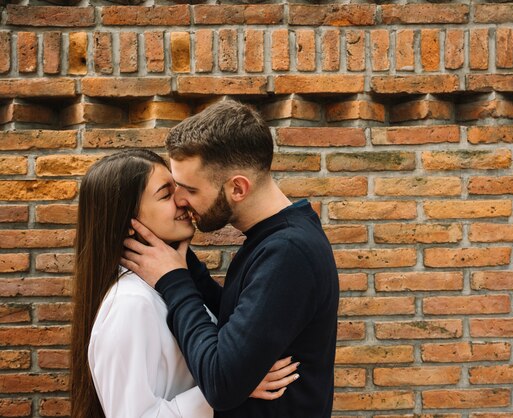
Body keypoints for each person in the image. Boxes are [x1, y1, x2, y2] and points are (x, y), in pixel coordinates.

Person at [121, 100, 340, 417]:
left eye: (188, 189)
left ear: (238, 188)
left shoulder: (289, 252)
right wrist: (182, 264)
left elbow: (221, 383)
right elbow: (240, 320)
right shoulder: (274, 240)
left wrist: (175, 281)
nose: (180, 201)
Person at [71, 150, 298, 418]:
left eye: (177, 188)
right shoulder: (131, 304)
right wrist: (235, 385)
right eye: (165, 195)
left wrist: (235, 374)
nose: (181, 200)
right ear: (128, 223)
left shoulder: (166, 283)